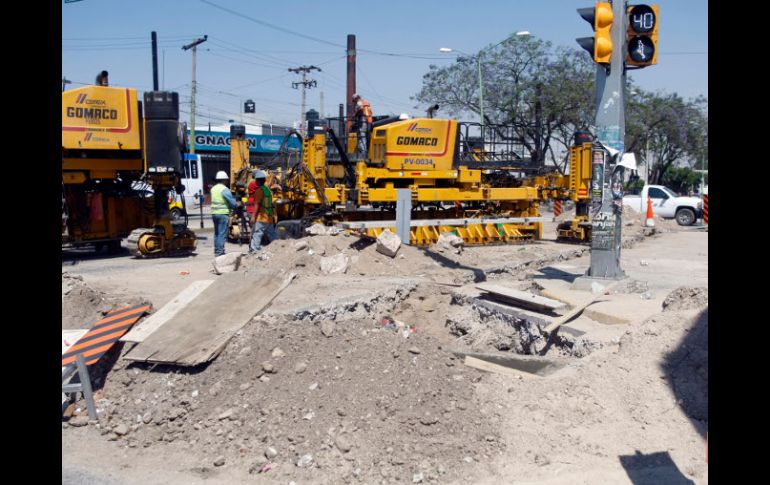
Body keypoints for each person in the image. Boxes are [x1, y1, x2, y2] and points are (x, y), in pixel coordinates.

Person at [249, 170, 277, 253]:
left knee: (257, 233)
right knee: (272, 234)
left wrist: (253, 216)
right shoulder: (267, 190)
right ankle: (277, 247)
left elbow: (257, 204)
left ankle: (255, 250)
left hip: (261, 217)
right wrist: (272, 177)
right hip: (269, 217)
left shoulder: (259, 191)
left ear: (257, 181)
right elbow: (269, 185)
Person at [210, 171, 237, 256]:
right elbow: (232, 202)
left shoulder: (213, 189)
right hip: (223, 213)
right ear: (224, 180)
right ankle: (220, 252)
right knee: (222, 233)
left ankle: (217, 250)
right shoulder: (224, 189)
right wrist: (236, 205)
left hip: (214, 213)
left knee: (217, 233)